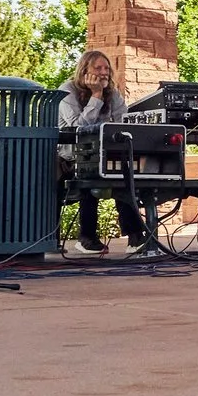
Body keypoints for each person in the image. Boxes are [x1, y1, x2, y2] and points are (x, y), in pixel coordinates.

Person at [58, 49, 140, 254]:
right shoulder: (67, 91)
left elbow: (123, 122)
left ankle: (135, 237)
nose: (104, 72)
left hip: (103, 156)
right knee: (88, 174)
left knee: (125, 174)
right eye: (98, 68)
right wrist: (96, 96)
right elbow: (78, 128)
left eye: (106, 68)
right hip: (70, 158)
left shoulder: (113, 93)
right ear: (84, 70)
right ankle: (87, 237)